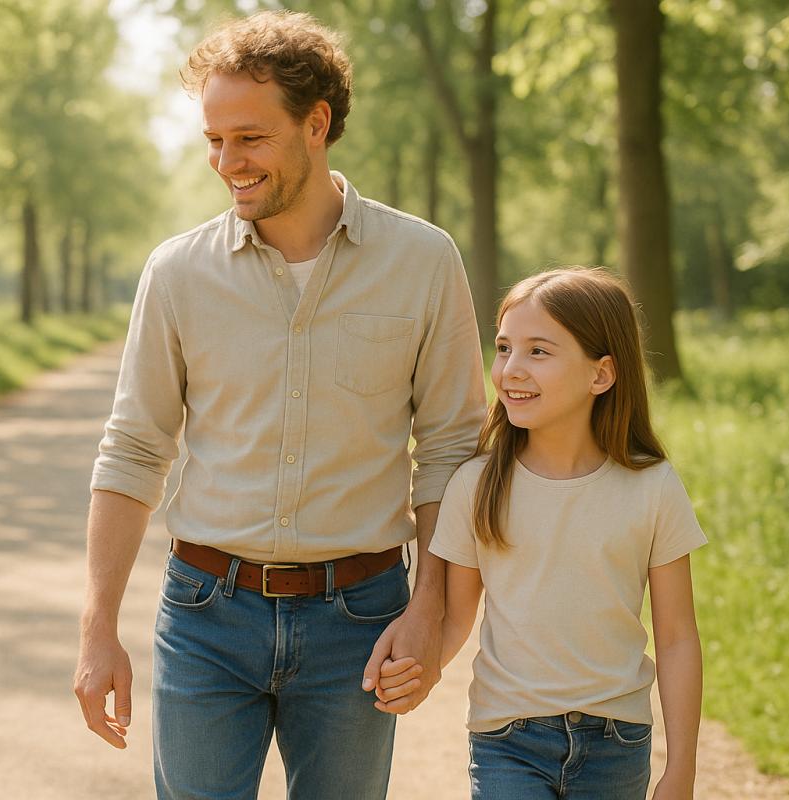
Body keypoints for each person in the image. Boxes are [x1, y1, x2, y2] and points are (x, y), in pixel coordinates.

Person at [73, 9, 487, 798]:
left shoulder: (423, 262)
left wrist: (430, 613)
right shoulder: (178, 273)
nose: (227, 162)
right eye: (214, 139)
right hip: (206, 614)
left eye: (250, 138)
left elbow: (451, 453)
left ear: (316, 124)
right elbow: (132, 449)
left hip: (359, 620)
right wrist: (98, 631)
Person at [383, 268, 704, 799]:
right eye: (504, 348)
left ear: (601, 375)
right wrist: (420, 673)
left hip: (617, 741)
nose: (510, 369)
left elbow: (676, 637)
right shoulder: (476, 485)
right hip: (508, 739)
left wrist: (682, 769)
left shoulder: (652, 487)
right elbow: (457, 616)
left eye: (538, 351)